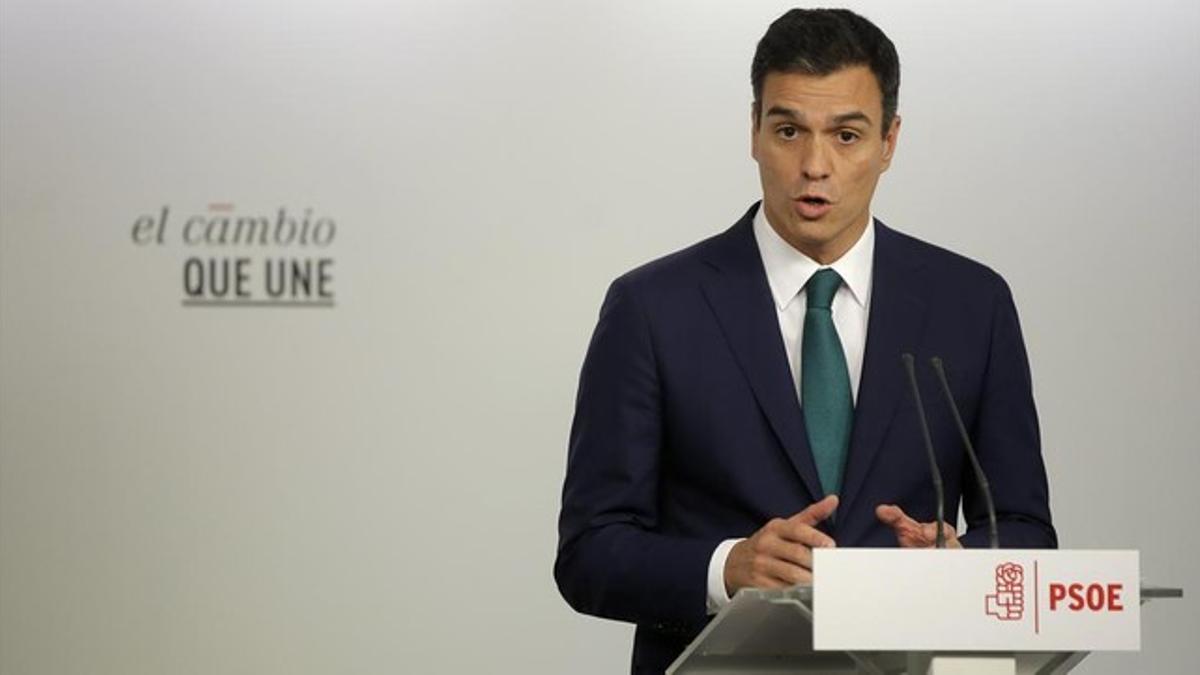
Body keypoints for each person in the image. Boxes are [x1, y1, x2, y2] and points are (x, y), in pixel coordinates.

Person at [554, 8, 1056, 673]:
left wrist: (963, 567)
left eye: (846, 135)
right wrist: (724, 566)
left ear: (889, 142)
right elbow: (589, 550)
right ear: (754, 131)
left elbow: (1025, 530)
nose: (814, 165)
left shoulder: (972, 303)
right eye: (789, 130)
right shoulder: (652, 307)